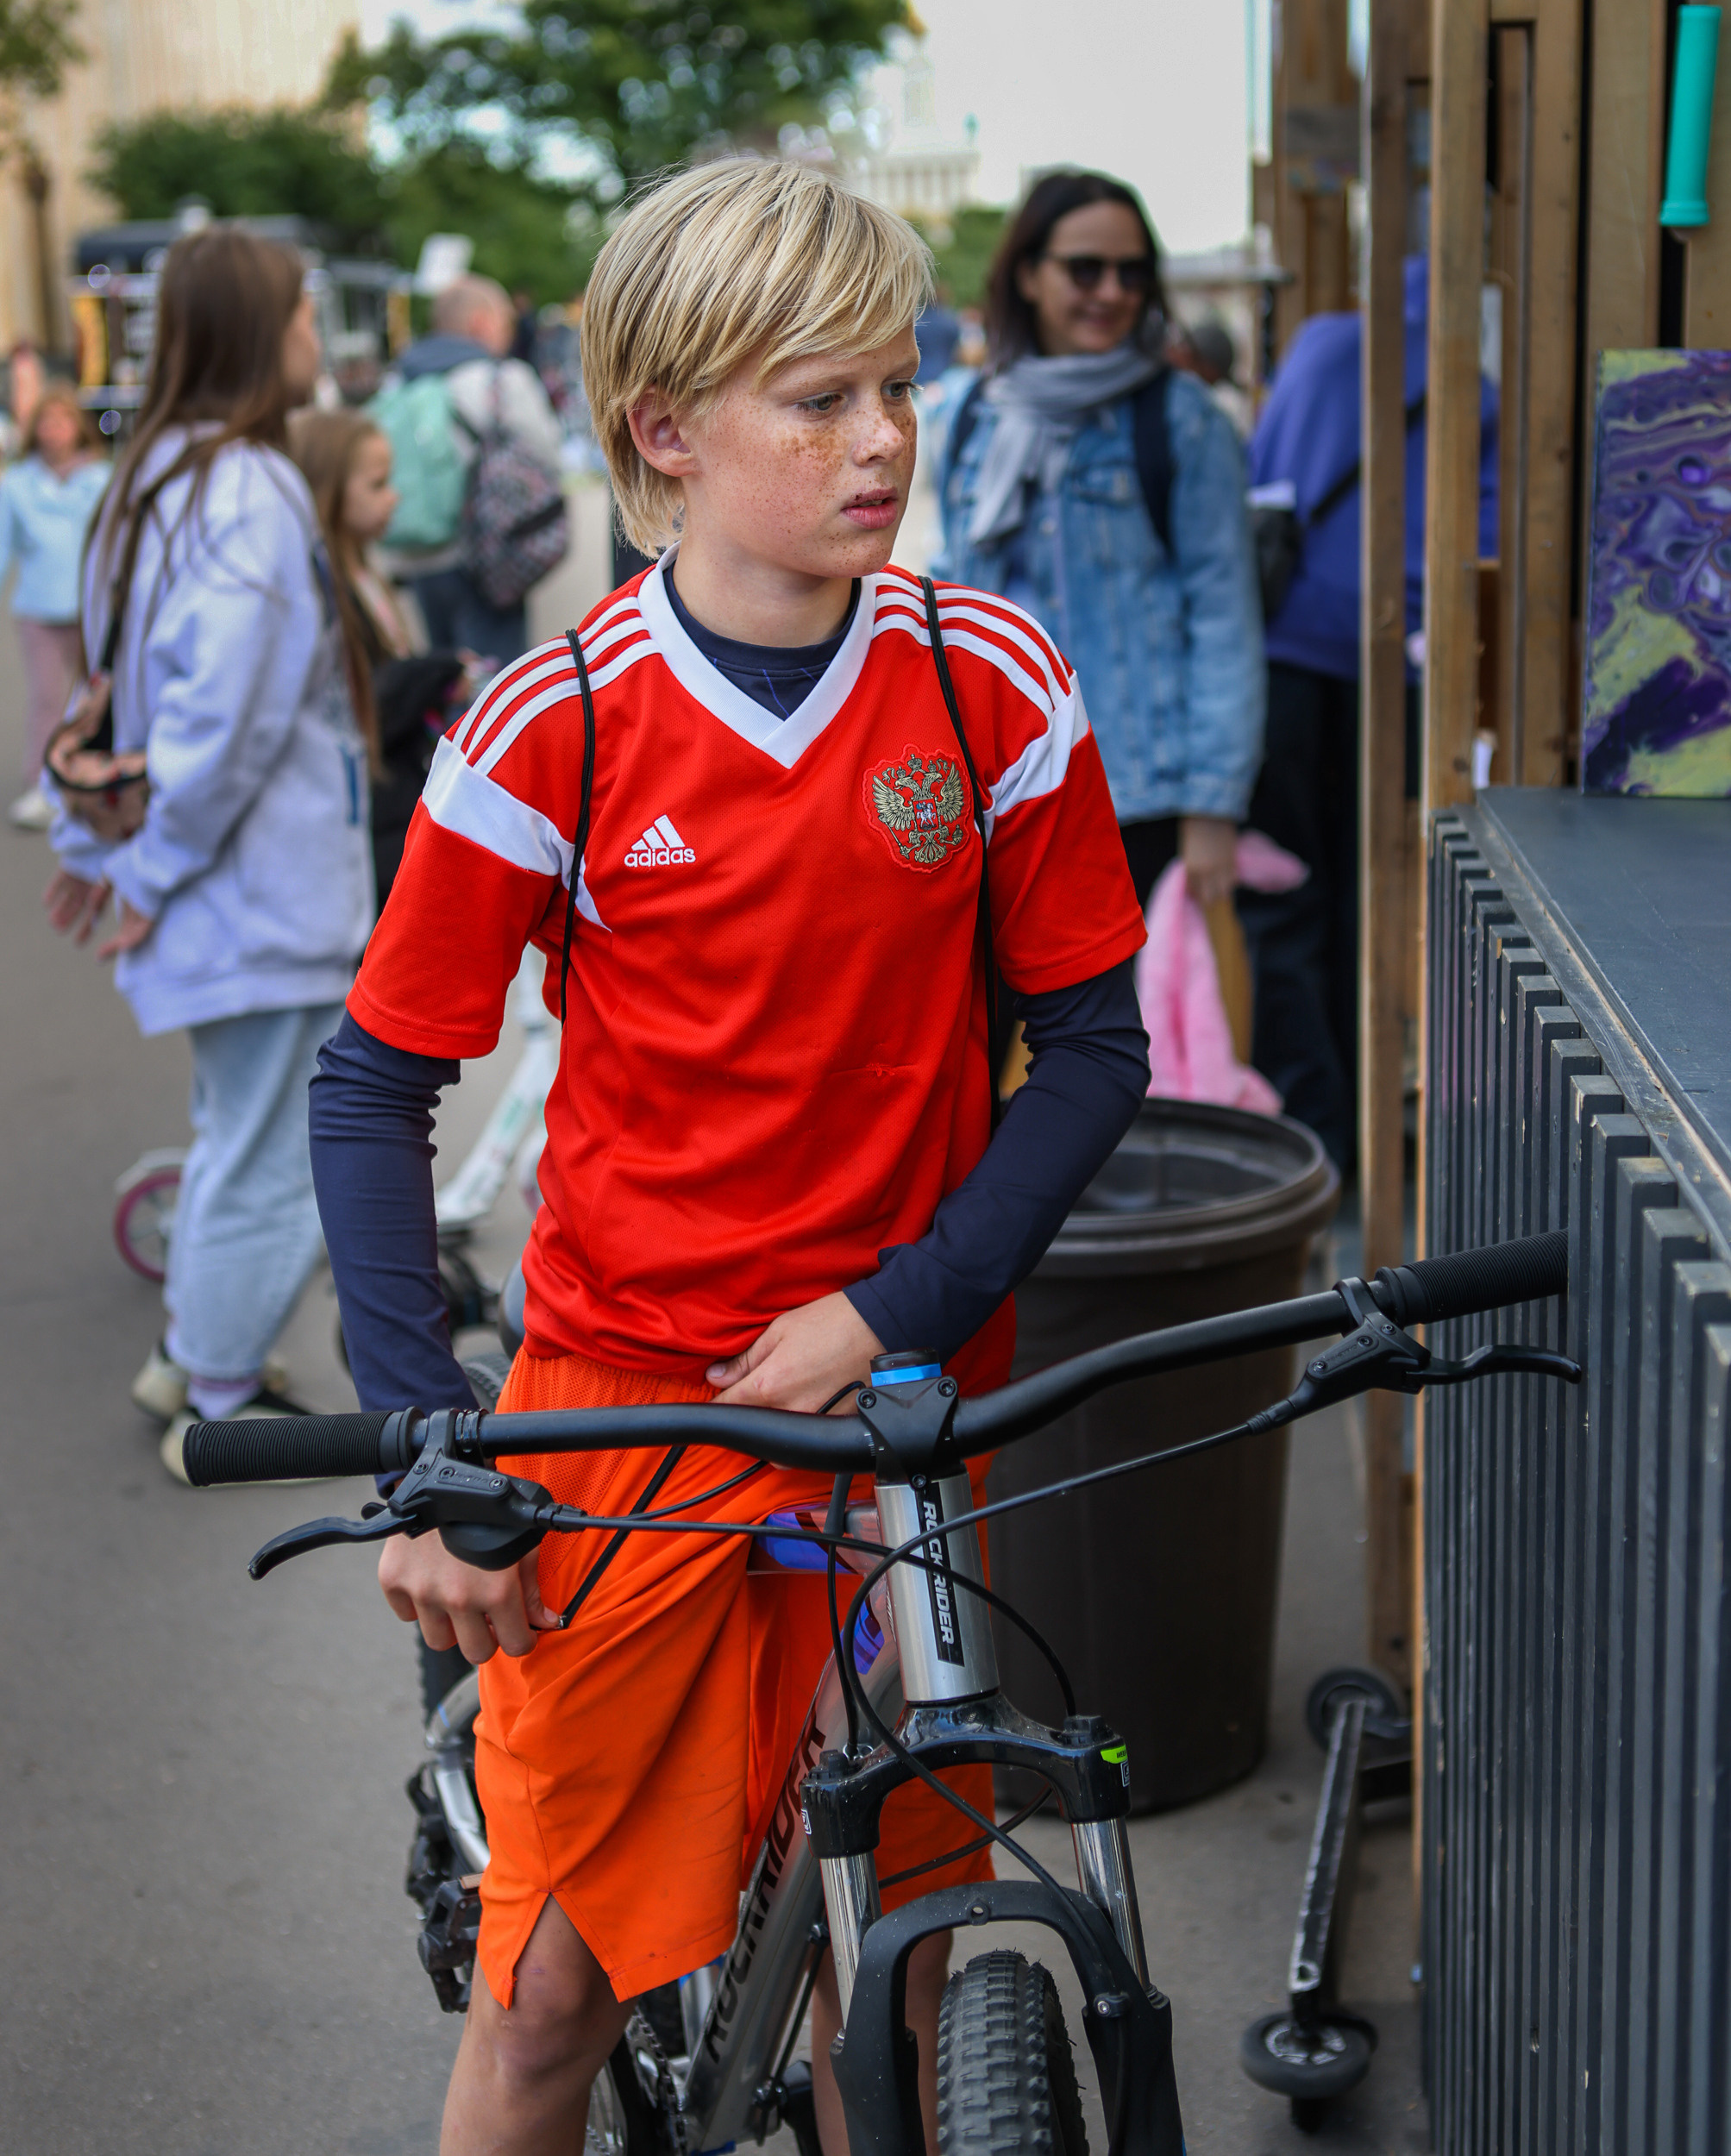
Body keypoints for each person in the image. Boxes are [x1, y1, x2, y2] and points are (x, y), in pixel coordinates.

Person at [306, 158, 1151, 2155]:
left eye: (895, 385)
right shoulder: (554, 726)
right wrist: (424, 1438)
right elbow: (372, 1078)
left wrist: (893, 1307)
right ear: (660, 433)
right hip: (628, 1408)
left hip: (902, 1400)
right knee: (544, 2014)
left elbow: (1092, 1044)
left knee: (921, 1986)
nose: (879, 442)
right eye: (815, 399)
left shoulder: (984, 677)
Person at [41, 226, 375, 1476]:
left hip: (231, 890)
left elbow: (128, 692)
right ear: (257, 330)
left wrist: (121, 853)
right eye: (301, 313)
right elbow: (218, 726)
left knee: (239, 1131)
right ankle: (220, 1397)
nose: (315, 338)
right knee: (275, 1152)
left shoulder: (164, 473)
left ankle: (201, 1350)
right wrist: (147, 867)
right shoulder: (249, 485)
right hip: (258, 894)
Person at [935, 170, 1264, 914]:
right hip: (995, 794)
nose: (1111, 291)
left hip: (1137, 796)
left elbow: (1223, 618)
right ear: (1026, 274)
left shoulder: (1182, 421)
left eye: (1132, 272)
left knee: (1122, 1028)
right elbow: (947, 605)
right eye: (1085, 268)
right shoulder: (971, 416)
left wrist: (1213, 807)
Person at [1242, 254, 1498, 1172]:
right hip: (1389, 669)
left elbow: (1262, 473)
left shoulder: (1316, 346)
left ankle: (1313, 1134)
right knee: (1370, 896)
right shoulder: (1483, 389)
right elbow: (1492, 539)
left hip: (1279, 657)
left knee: (1281, 900)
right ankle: (1365, 1112)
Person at [289, 409, 474, 907]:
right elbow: (368, 698)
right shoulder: (326, 594)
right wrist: (432, 677)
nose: (394, 496)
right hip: (372, 815)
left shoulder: (367, 571)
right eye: (377, 484)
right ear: (328, 489)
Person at [378, 273, 563, 663]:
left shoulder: (396, 382)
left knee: (447, 680)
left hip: (420, 557)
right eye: (507, 321)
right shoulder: (501, 378)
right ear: (482, 322)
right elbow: (548, 454)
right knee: (494, 688)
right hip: (487, 557)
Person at [0, 383, 110, 829]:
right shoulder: (18, 483)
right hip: (40, 609)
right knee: (48, 700)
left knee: (95, 698)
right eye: (45, 422)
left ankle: (96, 781)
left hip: (91, 608)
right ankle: (44, 786)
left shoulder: (101, 478)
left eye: (62, 421)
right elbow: (3, 546)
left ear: (77, 428)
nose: (54, 431)